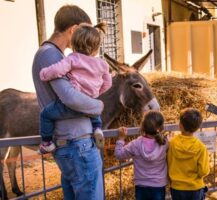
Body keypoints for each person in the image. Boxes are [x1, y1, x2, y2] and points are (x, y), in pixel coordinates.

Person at [32, 5, 104, 200]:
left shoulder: (57, 55)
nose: (88, 40)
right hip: (77, 145)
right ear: (73, 30)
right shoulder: (50, 54)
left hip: (74, 145)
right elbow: (70, 98)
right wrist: (98, 106)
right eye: (84, 31)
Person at [38, 22, 111, 154]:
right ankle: (97, 128)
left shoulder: (72, 59)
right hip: (90, 104)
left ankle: (47, 142)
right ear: (96, 48)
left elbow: (57, 70)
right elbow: (108, 83)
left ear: (74, 44)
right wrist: (97, 92)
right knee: (94, 111)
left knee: (46, 114)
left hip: (73, 106)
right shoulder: (102, 64)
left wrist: (43, 74)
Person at [115, 111, 168, 200]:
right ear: (161, 127)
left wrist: (121, 139)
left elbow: (119, 155)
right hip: (159, 184)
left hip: (141, 185)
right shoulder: (165, 143)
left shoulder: (136, 144)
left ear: (142, 126)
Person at [167, 108, 210, 200]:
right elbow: (204, 171)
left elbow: (169, 162)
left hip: (177, 188)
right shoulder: (201, 147)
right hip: (195, 188)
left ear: (180, 126)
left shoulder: (172, 143)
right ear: (197, 127)